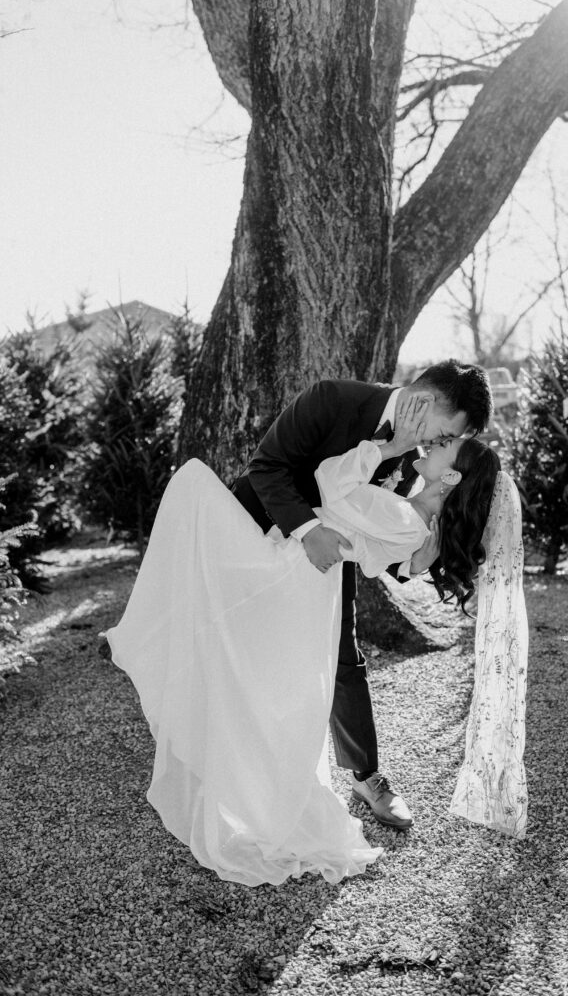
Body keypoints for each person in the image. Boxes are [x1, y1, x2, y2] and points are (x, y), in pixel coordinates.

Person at [105, 397, 528, 889]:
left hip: (296, 566)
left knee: (192, 484)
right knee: (264, 673)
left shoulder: (405, 518)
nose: (434, 443)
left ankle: (168, 673)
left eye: (446, 445)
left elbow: (330, 481)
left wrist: (387, 447)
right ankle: (248, 776)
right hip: (310, 576)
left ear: (451, 478)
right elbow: (376, 550)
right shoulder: (413, 519)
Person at [231, 359, 493, 831]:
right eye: (443, 434)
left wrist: (411, 563)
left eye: (446, 444)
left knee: (343, 656)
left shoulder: (414, 456)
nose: (436, 445)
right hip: (259, 533)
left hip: (333, 558)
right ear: (424, 401)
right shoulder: (333, 398)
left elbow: (384, 526)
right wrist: (308, 530)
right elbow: (266, 467)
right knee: (231, 635)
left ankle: (365, 776)